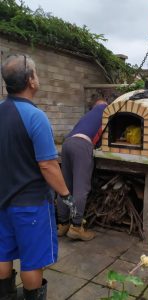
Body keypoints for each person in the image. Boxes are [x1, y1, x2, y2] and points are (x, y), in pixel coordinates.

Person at [0, 54, 72, 300]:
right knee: (32, 260)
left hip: (2, 198)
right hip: (30, 204)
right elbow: (48, 165)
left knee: (3, 252)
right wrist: (66, 194)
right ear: (31, 81)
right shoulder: (35, 117)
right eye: (36, 74)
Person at [56, 96, 107, 241]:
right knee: (81, 189)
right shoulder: (106, 109)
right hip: (82, 146)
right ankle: (76, 227)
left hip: (68, 144)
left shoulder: (87, 115)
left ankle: (62, 224)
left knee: (65, 186)